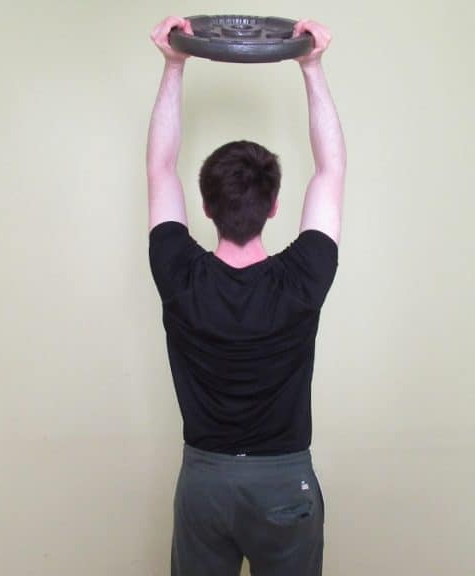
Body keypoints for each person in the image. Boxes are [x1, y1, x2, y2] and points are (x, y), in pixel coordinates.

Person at [147, 15, 345, 576]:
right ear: (275, 207)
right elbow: (330, 170)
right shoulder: (303, 279)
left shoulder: (178, 274)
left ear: (205, 208)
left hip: (204, 484)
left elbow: (160, 168)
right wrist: (311, 64)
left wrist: (173, 63)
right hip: (284, 481)